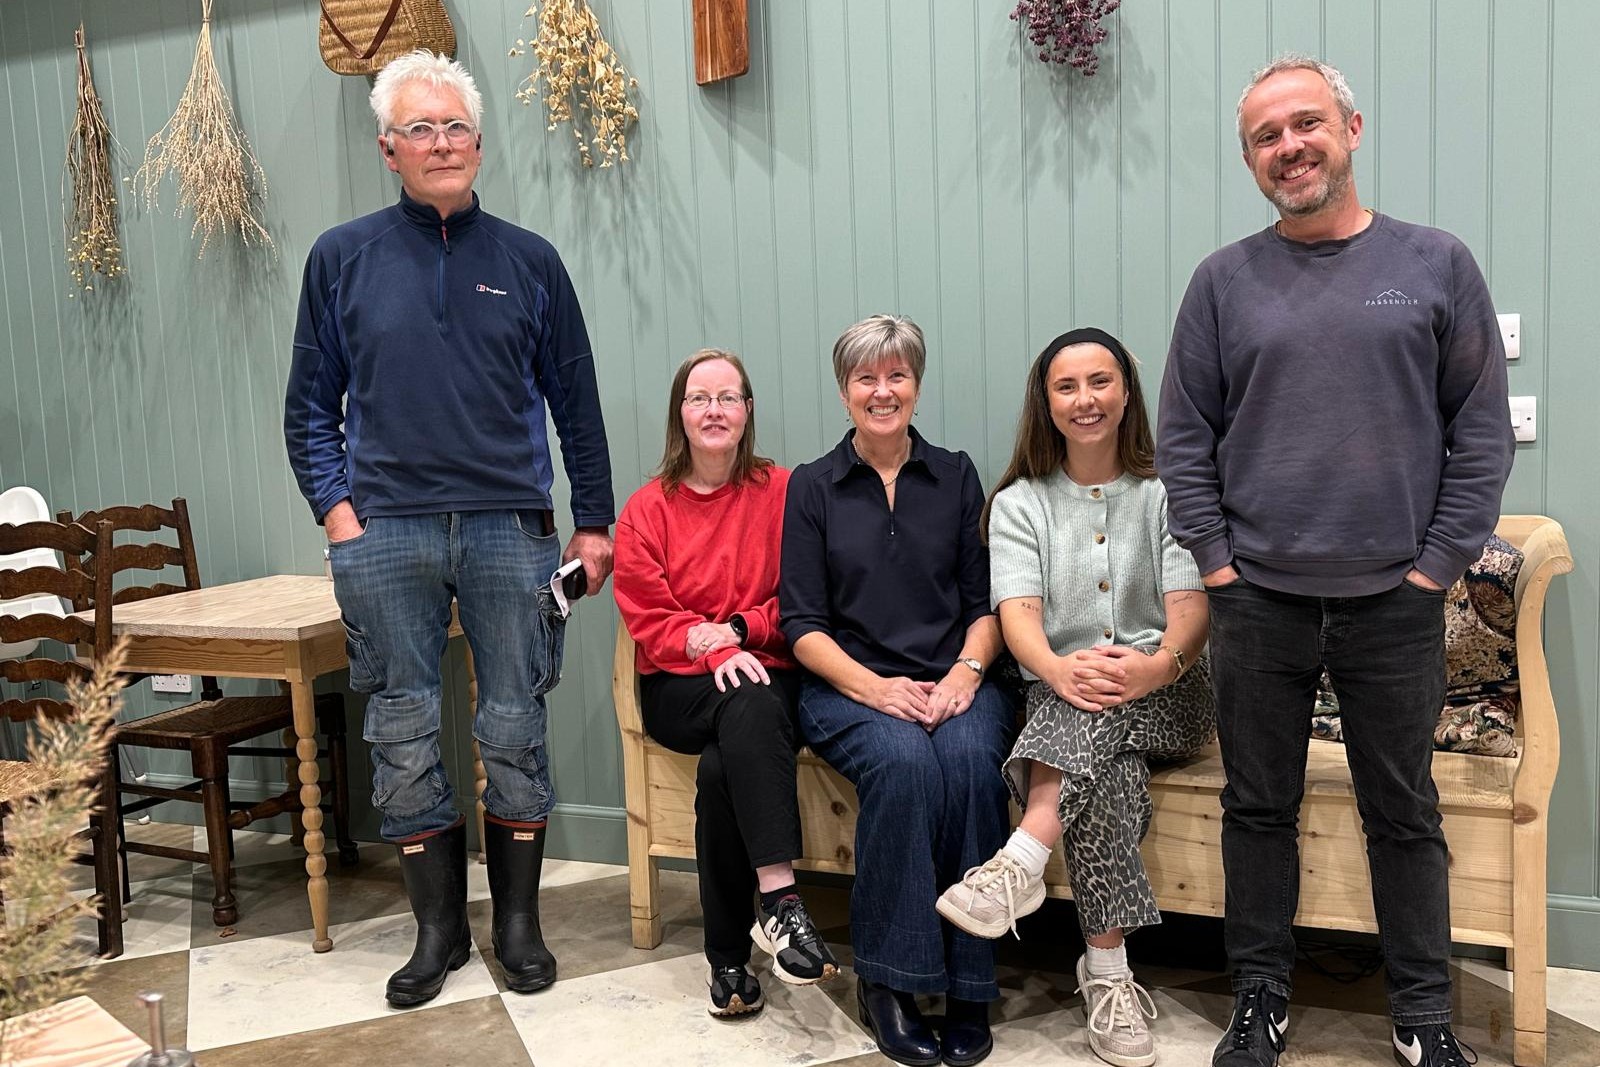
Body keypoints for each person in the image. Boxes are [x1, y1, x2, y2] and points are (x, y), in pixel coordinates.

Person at [1157, 54, 1513, 1067]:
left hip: (1394, 602)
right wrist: (1217, 565)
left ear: (1350, 128)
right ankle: (1260, 997)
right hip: (1256, 599)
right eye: (1265, 137)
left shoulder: (1435, 264)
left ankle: (1422, 1010)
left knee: (1402, 809)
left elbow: (1478, 434)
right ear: (1251, 161)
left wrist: (1435, 566)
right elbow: (1184, 437)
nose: (1287, 148)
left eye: (1304, 124)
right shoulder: (1221, 282)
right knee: (1255, 807)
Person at [283, 50, 614, 1008]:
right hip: (386, 534)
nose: (442, 143)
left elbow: (577, 404)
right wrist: (339, 516)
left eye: (456, 127)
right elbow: (310, 406)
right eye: (421, 129)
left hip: (512, 528)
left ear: (479, 143)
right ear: (388, 148)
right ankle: (437, 932)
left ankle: (516, 924)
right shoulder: (341, 258)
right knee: (402, 725)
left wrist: (592, 522)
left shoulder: (530, 261)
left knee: (514, 723)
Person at [936, 328, 1214, 1067]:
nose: (1085, 399)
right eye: (1067, 387)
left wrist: (1154, 666)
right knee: (1106, 769)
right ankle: (1110, 977)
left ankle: (1020, 859)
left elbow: (1190, 610)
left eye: (1100, 382)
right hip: (1068, 702)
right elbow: (1017, 618)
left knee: (1097, 706)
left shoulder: (1169, 491)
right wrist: (1060, 672)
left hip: (1170, 693)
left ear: (1125, 392)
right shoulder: (1020, 502)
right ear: (1047, 402)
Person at [781, 314, 1014, 1067]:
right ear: (845, 391)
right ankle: (887, 981)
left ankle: (973, 982)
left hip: (955, 680)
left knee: (973, 764)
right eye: (865, 378)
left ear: (916, 382)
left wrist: (963, 675)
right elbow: (802, 623)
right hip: (846, 687)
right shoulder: (813, 486)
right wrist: (877, 689)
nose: (883, 391)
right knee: (907, 765)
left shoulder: (955, 474)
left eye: (897, 375)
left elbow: (985, 607)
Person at [614, 349, 839, 1018]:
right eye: (699, 398)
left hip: (766, 672)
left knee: (723, 766)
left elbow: (802, 595)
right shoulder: (648, 508)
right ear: (679, 414)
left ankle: (730, 963)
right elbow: (648, 615)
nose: (714, 410)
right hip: (679, 687)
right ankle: (781, 899)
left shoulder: (782, 491)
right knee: (743, 703)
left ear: (747, 413)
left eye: (728, 397)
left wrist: (739, 629)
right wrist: (707, 648)